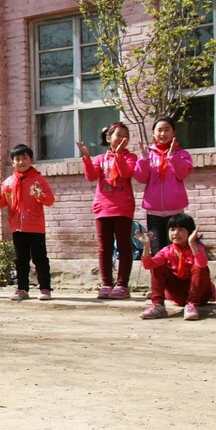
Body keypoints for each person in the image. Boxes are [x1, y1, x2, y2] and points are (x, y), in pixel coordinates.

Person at [77, 122, 138, 300]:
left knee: (124, 246)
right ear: (108, 138)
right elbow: (91, 176)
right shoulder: (99, 159)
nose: (121, 138)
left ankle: (122, 285)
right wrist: (87, 157)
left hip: (123, 207)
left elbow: (126, 173)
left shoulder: (130, 157)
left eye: (125, 135)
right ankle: (106, 284)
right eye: (117, 134)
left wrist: (119, 155)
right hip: (103, 208)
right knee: (105, 249)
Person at [0, 144, 55, 301]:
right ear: (12, 162)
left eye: (24, 158)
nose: (21, 162)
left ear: (31, 160)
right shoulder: (8, 183)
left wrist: (40, 196)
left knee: (39, 259)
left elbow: (50, 201)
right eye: (17, 159)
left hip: (36, 227)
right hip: (18, 229)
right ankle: (22, 289)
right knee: (21, 260)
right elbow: (1, 204)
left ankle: (45, 288)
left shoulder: (39, 180)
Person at [132, 117, 193, 256]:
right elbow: (141, 178)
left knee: (176, 251)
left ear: (174, 132)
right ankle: (159, 278)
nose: (163, 134)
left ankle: (175, 277)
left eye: (167, 130)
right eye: (159, 130)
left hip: (175, 212)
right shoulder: (148, 154)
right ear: (153, 133)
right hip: (154, 213)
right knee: (157, 251)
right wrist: (144, 159)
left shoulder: (182, 154)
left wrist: (172, 156)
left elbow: (182, 174)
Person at [137, 212, 215, 321]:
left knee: (199, 267)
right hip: (177, 295)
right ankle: (158, 305)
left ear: (191, 232)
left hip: (200, 295)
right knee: (158, 265)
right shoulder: (166, 250)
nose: (176, 233)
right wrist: (146, 246)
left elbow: (202, 265)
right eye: (172, 229)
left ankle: (191, 305)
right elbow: (148, 265)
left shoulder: (197, 248)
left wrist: (192, 244)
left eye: (181, 229)